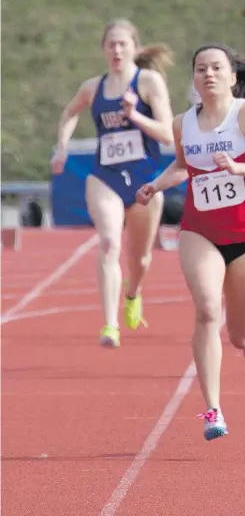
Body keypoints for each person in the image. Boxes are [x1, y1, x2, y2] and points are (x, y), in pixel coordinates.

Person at [136, 44, 245, 441]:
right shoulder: (183, 124)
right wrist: (156, 184)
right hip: (199, 231)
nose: (208, 74)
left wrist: (240, 167)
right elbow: (183, 165)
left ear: (232, 77)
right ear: (193, 78)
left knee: (239, 334)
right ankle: (212, 409)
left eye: (216, 68)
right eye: (201, 68)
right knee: (207, 309)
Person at [51, 19, 175, 348]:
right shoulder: (94, 87)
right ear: (104, 49)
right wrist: (62, 146)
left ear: (135, 47)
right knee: (108, 243)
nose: (117, 50)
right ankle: (110, 325)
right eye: (111, 45)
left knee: (141, 259)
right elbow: (70, 112)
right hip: (104, 176)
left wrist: (134, 116)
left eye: (123, 44)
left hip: (145, 180)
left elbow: (166, 133)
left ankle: (133, 294)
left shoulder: (148, 82)